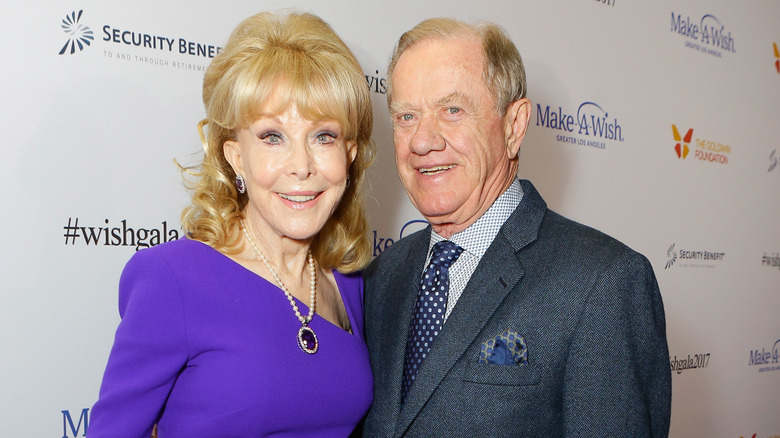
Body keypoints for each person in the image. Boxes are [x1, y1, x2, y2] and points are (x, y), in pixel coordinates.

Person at [362, 17, 671, 437]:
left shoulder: (603, 283)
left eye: (452, 109)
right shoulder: (382, 275)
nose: (422, 140)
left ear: (514, 125)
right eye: (406, 116)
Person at [90, 11, 375, 437]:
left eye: (324, 136)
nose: (301, 166)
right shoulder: (172, 279)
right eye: (272, 137)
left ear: (349, 155)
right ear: (235, 155)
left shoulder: (349, 283)